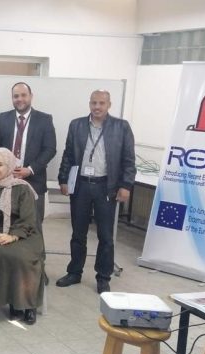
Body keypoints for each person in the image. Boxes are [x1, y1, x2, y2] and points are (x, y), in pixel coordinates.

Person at [56, 90, 136, 294]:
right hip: (81, 185)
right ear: (89, 103)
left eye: (101, 103)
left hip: (106, 187)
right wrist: (63, 179)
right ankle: (74, 272)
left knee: (106, 236)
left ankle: (103, 277)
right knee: (78, 233)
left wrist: (126, 185)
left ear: (109, 104)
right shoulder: (77, 125)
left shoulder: (121, 127)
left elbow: (129, 159)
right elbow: (68, 154)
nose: (97, 107)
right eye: (94, 103)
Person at [0, 148, 45, 325]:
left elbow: (29, 219)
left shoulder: (23, 188)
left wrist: (13, 236)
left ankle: (29, 305)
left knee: (24, 258)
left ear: (9, 166)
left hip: (26, 235)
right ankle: (14, 302)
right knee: (5, 255)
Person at [0, 82, 57, 231]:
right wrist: (4, 169)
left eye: (23, 95)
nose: (19, 99)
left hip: (34, 180)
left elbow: (50, 149)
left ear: (31, 96)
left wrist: (30, 169)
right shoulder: (3, 118)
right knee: (5, 224)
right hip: (5, 180)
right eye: (16, 96)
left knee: (33, 226)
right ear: (12, 98)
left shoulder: (44, 119)